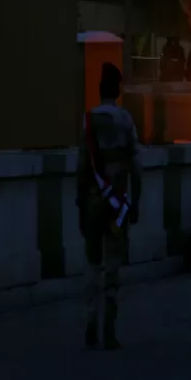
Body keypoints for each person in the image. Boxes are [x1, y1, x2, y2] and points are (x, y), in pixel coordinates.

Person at [76, 63, 143, 350]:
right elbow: (136, 167)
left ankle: (90, 322)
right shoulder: (125, 121)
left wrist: (80, 203)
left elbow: (81, 167)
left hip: (92, 202)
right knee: (113, 263)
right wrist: (136, 201)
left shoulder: (88, 121)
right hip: (117, 205)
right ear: (116, 91)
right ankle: (110, 330)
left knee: (92, 263)